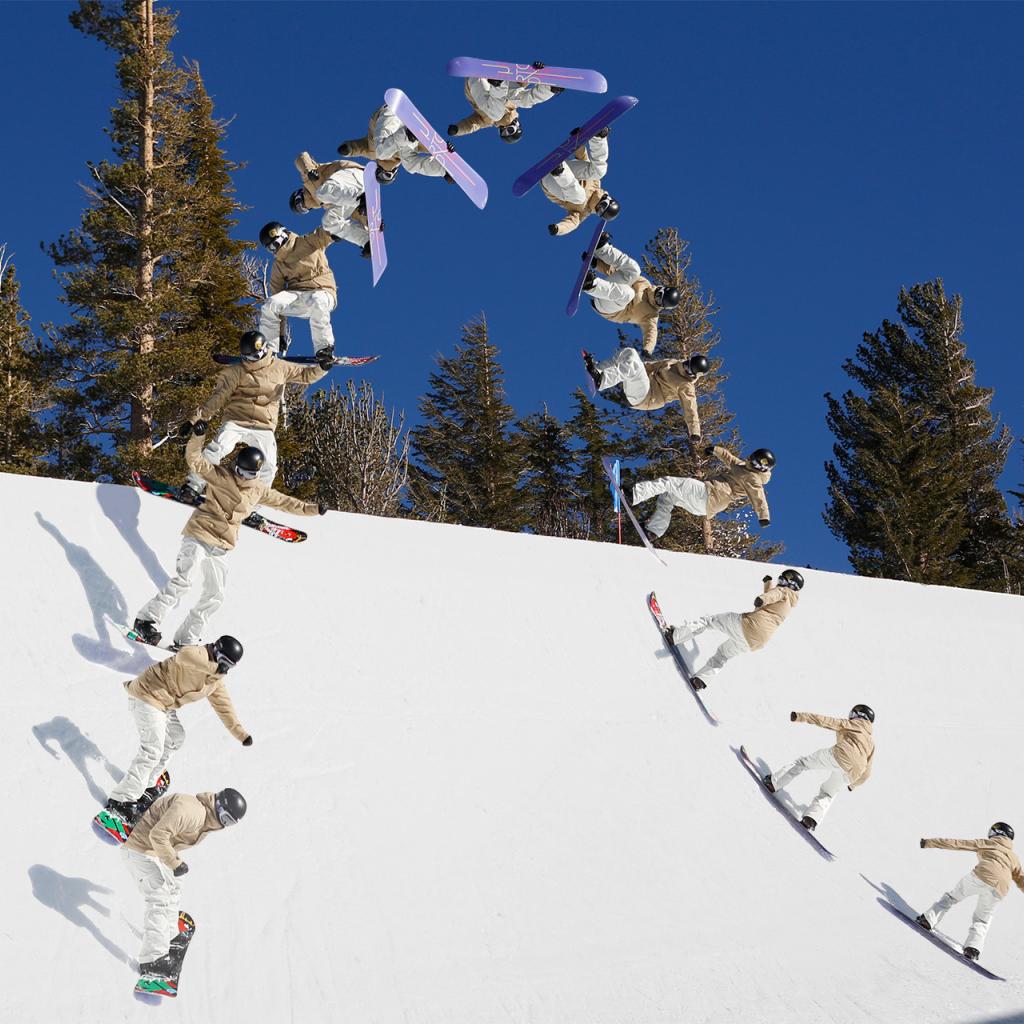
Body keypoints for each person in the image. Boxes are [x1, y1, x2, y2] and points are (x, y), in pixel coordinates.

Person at [133, 432, 324, 648]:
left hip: (221, 545)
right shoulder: (221, 475)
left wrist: (313, 509)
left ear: (257, 473)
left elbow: (286, 502)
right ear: (236, 465)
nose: (244, 477)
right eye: (241, 471)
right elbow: (195, 459)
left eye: (250, 474)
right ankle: (146, 621)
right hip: (200, 534)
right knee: (185, 580)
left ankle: (186, 638)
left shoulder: (259, 490)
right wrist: (198, 437)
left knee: (215, 595)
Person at [102, 640, 250, 822]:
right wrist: (212, 667)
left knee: (175, 737)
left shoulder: (214, 681)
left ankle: (148, 783)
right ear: (216, 650)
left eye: (229, 665)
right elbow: (183, 655)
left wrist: (241, 734)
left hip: (163, 705)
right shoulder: (199, 654)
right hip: (147, 694)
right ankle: (121, 800)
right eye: (223, 661)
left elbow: (225, 708)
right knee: (153, 749)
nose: (224, 667)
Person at [177, 330, 326, 502]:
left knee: (269, 466)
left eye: (254, 356)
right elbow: (219, 397)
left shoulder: (280, 367)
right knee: (216, 449)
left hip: (264, 426)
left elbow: (306, 375)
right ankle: (193, 487)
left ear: (264, 350)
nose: (251, 361)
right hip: (237, 420)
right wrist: (195, 420)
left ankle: (251, 504)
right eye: (246, 357)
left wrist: (323, 368)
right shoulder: (237, 371)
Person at [123, 788, 247, 978]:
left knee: (175, 883)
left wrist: (175, 863)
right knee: (159, 896)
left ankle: (170, 934)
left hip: (153, 852)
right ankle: (152, 960)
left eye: (229, 823)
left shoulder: (205, 819)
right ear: (219, 805)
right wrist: (174, 862)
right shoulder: (191, 811)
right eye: (226, 818)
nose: (224, 824)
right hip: (138, 848)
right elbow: (158, 835)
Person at [665, 570, 803, 688]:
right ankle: (701, 680)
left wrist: (761, 599)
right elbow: (772, 597)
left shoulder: (784, 591)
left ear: (790, 584)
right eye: (779, 580)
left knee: (708, 621)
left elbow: (772, 595)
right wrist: (767, 583)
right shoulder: (789, 603)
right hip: (755, 641)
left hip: (748, 625)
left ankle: (675, 636)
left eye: (782, 580)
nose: (780, 583)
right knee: (723, 654)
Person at [916, 823, 1024, 961]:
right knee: (982, 919)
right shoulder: (1014, 857)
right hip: (1001, 888)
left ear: (996, 832)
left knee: (952, 897)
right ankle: (973, 948)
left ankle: (928, 919)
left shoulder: (988, 843)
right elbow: (1021, 879)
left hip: (982, 876)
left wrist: (928, 842)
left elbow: (958, 844)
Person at [763, 705, 875, 831]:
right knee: (829, 793)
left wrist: (800, 716)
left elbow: (826, 721)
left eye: (853, 714)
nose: (851, 716)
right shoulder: (871, 743)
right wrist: (853, 785)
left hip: (840, 755)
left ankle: (774, 783)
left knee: (803, 763)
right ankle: (811, 819)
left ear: (859, 715)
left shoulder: (853, 724)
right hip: (853, 772)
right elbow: (867, 772)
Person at [631, 445, 774, 541]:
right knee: (667, 496)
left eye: (756, 465)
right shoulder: (743, 466)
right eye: (753, 460)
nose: (752, 464)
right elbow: (729, 457)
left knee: (669, 482)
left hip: (712, 494)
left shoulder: (754, 479)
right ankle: (654, 531)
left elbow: (759, 497)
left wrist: (764, 516)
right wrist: (715, 450)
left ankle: (634, 494)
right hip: (705, 506)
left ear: (762, 469)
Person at [581, 236, 680, 353]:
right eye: (659, 294)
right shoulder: (644, 284)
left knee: (629, 293)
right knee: (635, 270)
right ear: (661, 288)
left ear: (662, 306)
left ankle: (591, 285)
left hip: (608, 308)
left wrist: (647, 350)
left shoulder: (651, 315)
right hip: (607, 291)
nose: (656, 298)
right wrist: (596, 263)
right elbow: (617, 273)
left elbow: (651, 333)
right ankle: (602, 249)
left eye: (659, 301)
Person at [584, 348, 708, 440]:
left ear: (694, 375)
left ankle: (601, 380)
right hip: (642, 384)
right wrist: (631, 364)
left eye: (689, 370)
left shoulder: (686, 386)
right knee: (630, 352)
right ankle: (597, 371)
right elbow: (649, 367)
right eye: (687, 364)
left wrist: (695, 432)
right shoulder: (673, 363)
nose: (685, 368)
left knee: (635, 367)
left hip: (647, 397)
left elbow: (690, 409)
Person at [257, 222, 338, 359]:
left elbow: (325, 232)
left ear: (283, 235)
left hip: (322, 290)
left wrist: (336, 232)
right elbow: (277, 296)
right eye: (270, 249)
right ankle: (269, 351)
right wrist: (280, 334)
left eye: (275, 244)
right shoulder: (278, 265)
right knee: (270, 304)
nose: (275, 250)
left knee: (317, 301)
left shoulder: (306, 242)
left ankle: (324, 349)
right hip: (298, 296)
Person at [289, 151, 372, 257]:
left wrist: (309, 171)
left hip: (352, 174)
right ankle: (366, 241)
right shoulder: (327, 203)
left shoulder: (309, 181)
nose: (304, 206)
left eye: (299, 204)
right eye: (302, 210)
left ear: (299, 195)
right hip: (355, 192)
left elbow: (302, 158)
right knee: (329, 221)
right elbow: (356, 213)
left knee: (322, 193)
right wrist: (370, 223)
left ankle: (360, 198)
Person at [337, 104, 451, 181]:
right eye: (387, 176)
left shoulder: (372, 154)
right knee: (410, 165)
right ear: (395, 172)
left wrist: (348, 149)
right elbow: (424, 146)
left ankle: (406, 134)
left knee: (381, 153)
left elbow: (359, 148)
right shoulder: (402, 159)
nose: (386, 172)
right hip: (406, 131)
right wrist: (444, 149)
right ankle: (443, 169)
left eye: (381, 174)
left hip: (390, 116)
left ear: (377, 168)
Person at [541, 127, 619, 236]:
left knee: (580, 197)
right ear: (609, 198)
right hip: (565, 165)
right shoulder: (596, 184)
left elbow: (572, 223)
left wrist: (558, 229)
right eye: (603, 204)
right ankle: (598, 137)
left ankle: (559, 172)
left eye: (600, 209)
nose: (599, 205)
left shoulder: (583, 212)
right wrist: (578, 143)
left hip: (551, 183)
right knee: (599, 172)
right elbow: (583, 160)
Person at [447, 68, 560, 141]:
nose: (505, 129)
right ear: (517, 125)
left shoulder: (487, 121)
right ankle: (551, 88)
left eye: (502, 132)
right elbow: (522, 84)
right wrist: (535, 71)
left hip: (477, 84)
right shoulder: (515, 105)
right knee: (525, 101)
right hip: (500, 82)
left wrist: (457, 130)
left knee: (496, 115)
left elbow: (471, 125)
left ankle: (498, 84)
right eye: (510, 130)